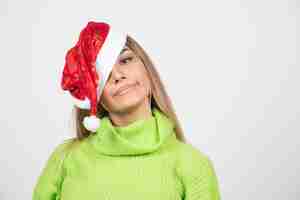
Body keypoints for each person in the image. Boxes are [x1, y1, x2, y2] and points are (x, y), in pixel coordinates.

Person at [32, 21, 221, 200]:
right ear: (93, 98)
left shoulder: (193, 165)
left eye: (125, 60)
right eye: (101, 74)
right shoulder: (65, 159)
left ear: (146, 68)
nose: (118, 76)